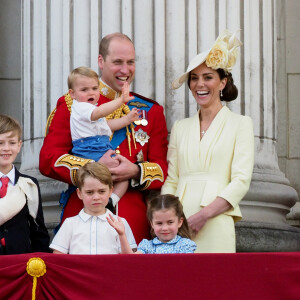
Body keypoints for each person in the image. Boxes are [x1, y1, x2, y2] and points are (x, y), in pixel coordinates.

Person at [39, 32, 168, 244]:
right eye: (117, 62)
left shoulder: (150, 111)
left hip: (133, 225)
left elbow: (162, 169)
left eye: (130, 62)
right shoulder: (73, 104)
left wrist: (136, 171)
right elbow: (48, 159)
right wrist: (93, 166)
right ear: (101, 61)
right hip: (83, 219)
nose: (125, 70)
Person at [161, 29, 254, 253]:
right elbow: (172, 180)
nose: (199, 84)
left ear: (223, 82)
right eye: (194, 78)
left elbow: (240, 181)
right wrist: (164, 218)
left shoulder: (241, 124)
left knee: (216, 284)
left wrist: (204, 215)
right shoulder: (180, 127)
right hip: (178, 224)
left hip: (216, 220)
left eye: (208, 77)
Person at [69, 66, 140, 206]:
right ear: (72, 94)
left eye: (95, 88)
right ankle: (102, 200)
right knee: (103, 176)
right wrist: (121, 101)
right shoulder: (81, 107)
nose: (91, 93)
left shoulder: (91, 108)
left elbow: (107, 126)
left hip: (100, 145)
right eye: (84, 90)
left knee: (122, 175)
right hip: (89, 148)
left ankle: (111, 201)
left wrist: (127, 119)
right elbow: (99, 113)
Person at [50, 162, 136, 254]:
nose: (96, 197)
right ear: (79, 193)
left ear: (111, 191)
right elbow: (58, 255)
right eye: (90, 192)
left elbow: (129, 259)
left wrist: (121, 234)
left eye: (102, 191)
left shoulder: (120, 223)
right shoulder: (70, 224)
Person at [0, 114, 49, 254]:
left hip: (20, 262)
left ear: (19, 145)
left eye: (12, 143)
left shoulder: (29, 184)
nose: (6, 148)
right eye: (0, 143)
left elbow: (38, 230)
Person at [108, 194, 197, 254]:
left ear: (179, 222)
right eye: (159, 223)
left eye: (170, 222)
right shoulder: (147, 246)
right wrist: (122, 235)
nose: (165, 228)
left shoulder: (185, 245)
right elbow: (131, 260)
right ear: (152, 224)